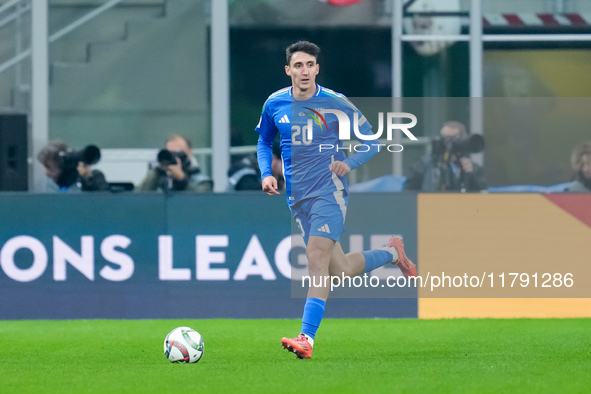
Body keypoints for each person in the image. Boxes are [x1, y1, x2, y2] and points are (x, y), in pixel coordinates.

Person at [255, 41, 416, 359]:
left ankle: (306, 338)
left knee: (315, 258)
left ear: (317, 68)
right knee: (339, 270)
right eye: (298, 65)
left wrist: (349, 163)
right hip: (297, 198)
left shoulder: (335, 103)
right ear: (288, 70)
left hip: (330, 192)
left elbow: (372, 142)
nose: (304, 71)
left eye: (310, 65)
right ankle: (391, 252)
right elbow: (263, 141)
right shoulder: (274, 103)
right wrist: (265, 173)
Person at [404, 121, 486, 192]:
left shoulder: (472, 167)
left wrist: (471, 175)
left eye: (452, 138)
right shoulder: (423, 164)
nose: (446, 143)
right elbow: (408, 194)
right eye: (443, 138)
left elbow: (482, 195)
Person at [137, 135, 212, 192]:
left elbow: (201, 201)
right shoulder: (159, 178)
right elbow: (137, 199)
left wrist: (182, 179)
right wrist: (156, 173)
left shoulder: (202, 181)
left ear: (190, 152)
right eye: (170, 153)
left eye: (177, 152)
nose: (173, 157)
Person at [37, 141, 109, 192]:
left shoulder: (87, 181)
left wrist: (88, 179)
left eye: (49, 167)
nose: (46, 173)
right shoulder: (47, 186)